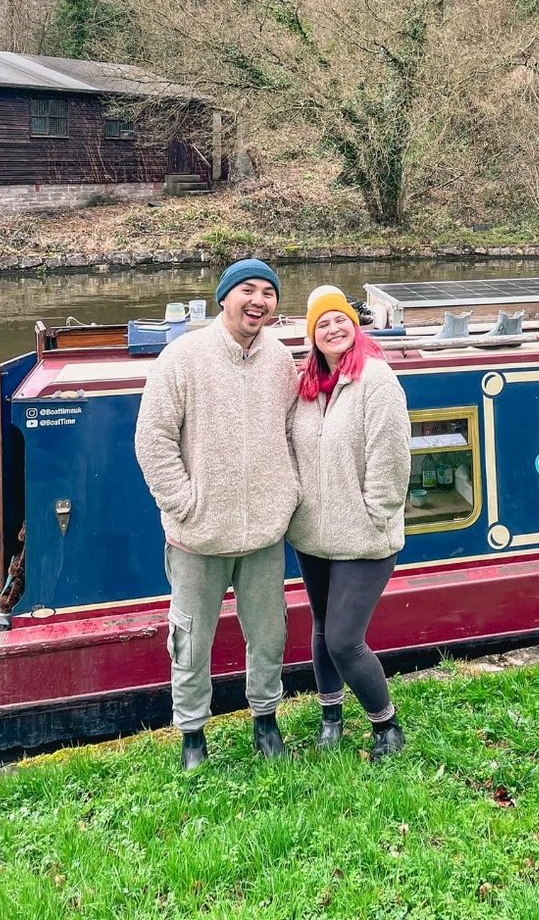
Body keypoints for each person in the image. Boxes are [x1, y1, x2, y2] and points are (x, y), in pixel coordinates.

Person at [134, 258, 300, 770]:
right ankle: (192, 734)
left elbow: (294, 432)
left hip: (264, 534)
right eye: (247, 290)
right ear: (224, 297)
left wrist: (287, 491)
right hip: (197, 535)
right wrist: (185, 504)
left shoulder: (280, 361)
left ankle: (266, 719)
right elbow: (152, 440)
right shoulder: (183, 357)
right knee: (190, 638)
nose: (259, 301)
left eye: (268, 293)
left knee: (269, 634)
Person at [287, 286, 412, 760]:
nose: (334, 329)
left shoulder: (376, 380)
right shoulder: (307, 388)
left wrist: (375, 515)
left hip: (364, 537)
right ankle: (331, 718)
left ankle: (387, 726)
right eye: (323, 323)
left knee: (343, 638)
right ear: (312, 336)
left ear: (353, 326)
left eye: (341, 320)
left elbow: (392, 458)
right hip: (313, 535)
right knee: (321, 628)